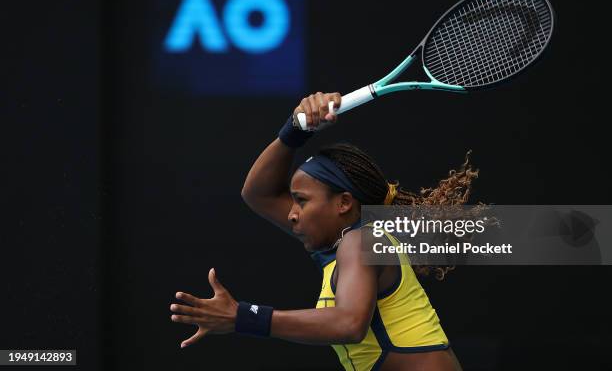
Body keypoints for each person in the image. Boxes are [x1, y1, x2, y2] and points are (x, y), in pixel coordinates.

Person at [170, 92, 478, 370]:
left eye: (301, 201)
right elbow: (258, 194)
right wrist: (293, 131)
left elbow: (349, 324)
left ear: (343, 203)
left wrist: (244, 317)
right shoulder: (339, 244)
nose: (291, 213)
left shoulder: (361, 241)